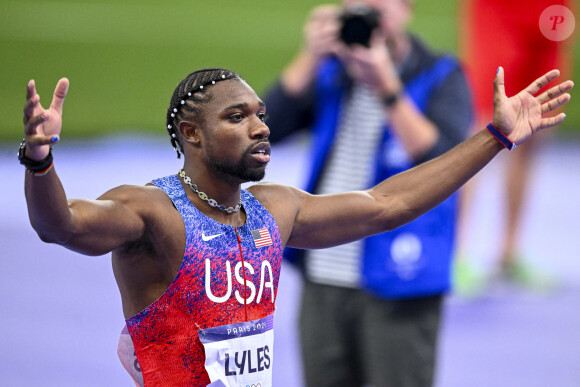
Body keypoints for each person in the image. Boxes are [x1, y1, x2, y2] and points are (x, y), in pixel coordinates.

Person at [21, 65, 571, 386]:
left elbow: (387, 204)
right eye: (236, 118)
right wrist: (40, 159)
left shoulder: (273, 209)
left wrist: (494, 138)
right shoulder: (151, 213)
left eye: (260, 113)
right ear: (191, 134)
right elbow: (62, 225)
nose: (260, 127)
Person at [263, 1, 472, 385]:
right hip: (324, 268)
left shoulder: (442, 73)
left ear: (406, 9)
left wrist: (386, 87)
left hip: (402, 274)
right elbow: (265, 131)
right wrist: (309, 56)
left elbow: (445, 165)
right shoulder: (332, 71)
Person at [455, 0, 576, 293]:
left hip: (550, 11)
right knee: (485, 122)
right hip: (500, 10)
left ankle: (509, 254)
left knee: (536, 123)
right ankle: (454, 255)